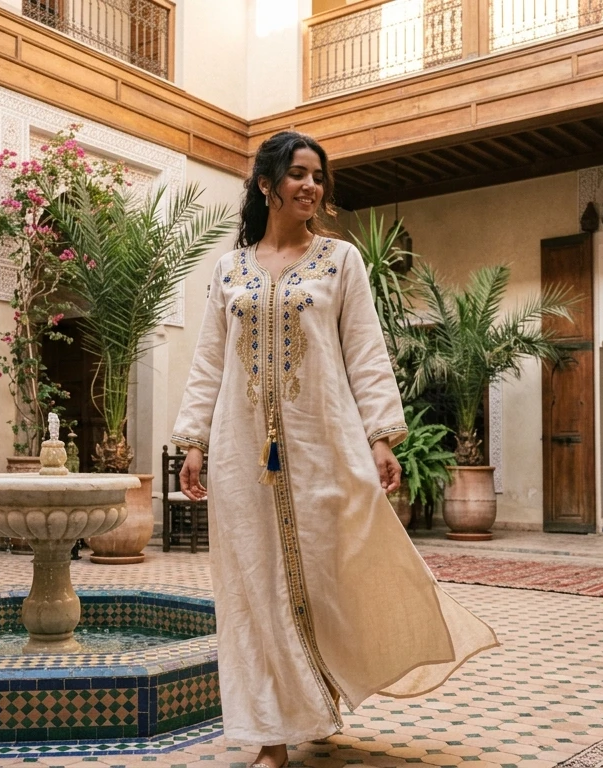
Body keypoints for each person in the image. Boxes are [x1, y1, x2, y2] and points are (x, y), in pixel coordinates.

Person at [170, 131, 498, 768]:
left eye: (318, 176)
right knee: (254, 587)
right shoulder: (229, 269)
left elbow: (365, 352)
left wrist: (381, 437)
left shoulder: (339, 260)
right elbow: (209, 361)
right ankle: (271, 734)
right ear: (267, 184)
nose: (311, 186)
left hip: (323, 446)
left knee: (330, 575)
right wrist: (193, 441)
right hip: (242, 456)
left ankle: (317, 693)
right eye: (298, 174)